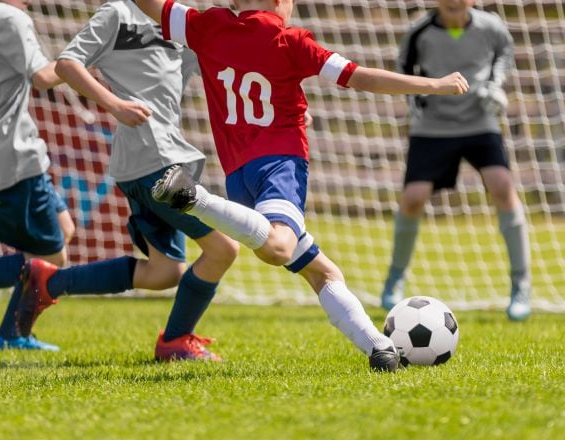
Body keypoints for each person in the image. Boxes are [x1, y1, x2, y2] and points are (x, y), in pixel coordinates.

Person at [123, 0, 468, 372]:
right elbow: (361, 76)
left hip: (239, 176)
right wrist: (436, 83)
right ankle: (194, 197)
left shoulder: (206, 26)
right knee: (278, 247)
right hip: (280, 165)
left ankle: (380, 348)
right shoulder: (290, 41)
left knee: (323, 273)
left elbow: (151, 6)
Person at [15, 0, 239, 361]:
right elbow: (68, 64)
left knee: (165, 272)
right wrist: (115, 105)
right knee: (223, 248)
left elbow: (223, 71)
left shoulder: (178, 20)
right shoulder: (117, 13)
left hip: (163, 161)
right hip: (152, 164)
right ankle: (175, 342)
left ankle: (48, 281)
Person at [379, 0, 531, 321]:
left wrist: (494, 85)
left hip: (479, 122)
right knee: (412, 199)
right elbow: (404, 67)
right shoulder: (419, 31)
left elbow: (505, 51)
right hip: (433, 126)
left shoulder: (491, 27)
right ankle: (395, 278)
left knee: (503, 187)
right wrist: (414, 100)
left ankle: (521, 285)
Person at [0, 0, 75, 351]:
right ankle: (11, 336)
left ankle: (12, 334)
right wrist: (84, 57)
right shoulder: (10, 18)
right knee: (50, 258)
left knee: (64, 231)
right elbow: (43, 77)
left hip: (4, 150)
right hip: (12, 154)